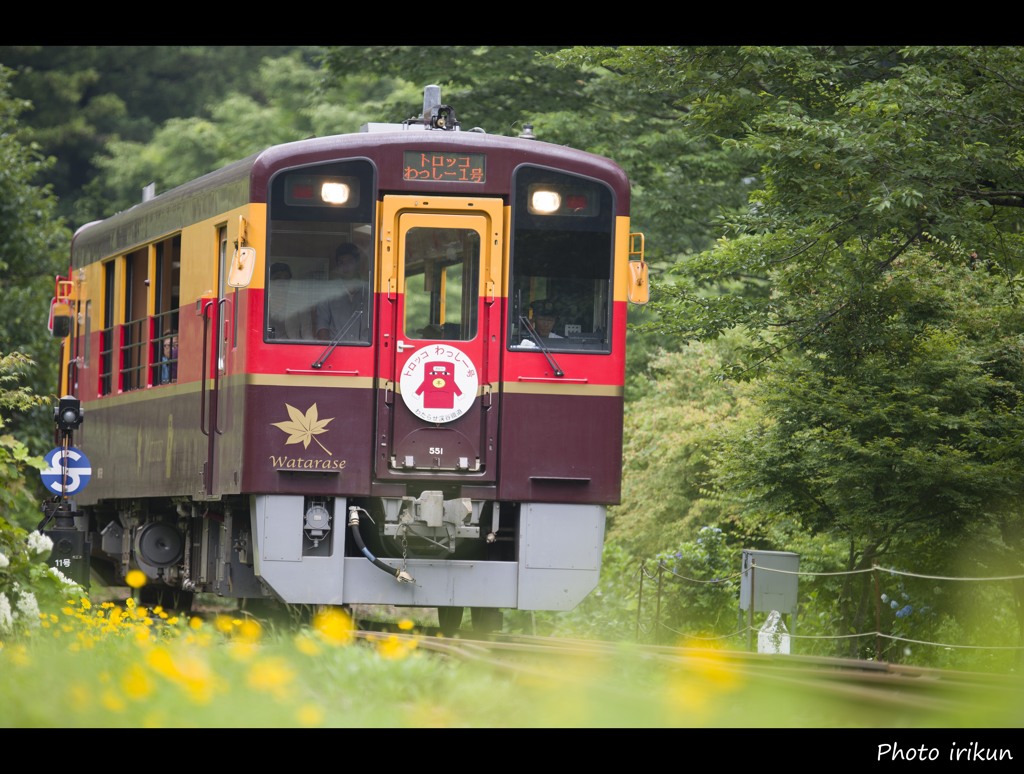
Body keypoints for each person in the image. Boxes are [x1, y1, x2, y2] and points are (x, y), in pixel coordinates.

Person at [315, 242, 369, 341]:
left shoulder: (370, 292)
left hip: (366, 352)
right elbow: (322, 326)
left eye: (350, 262)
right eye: (341, 263)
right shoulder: (328, 292)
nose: (345, 266)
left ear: (357, 263)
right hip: (336, 351)